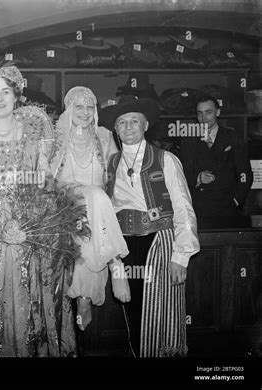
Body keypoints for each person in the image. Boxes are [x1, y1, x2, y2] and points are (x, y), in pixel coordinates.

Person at [0, 66, 77, 357]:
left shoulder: (34, 130)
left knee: (31, 291)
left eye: (5, 91)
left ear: (16, 94)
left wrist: (38, 219)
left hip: (29, 221)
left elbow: (45, 180)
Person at [99, 96, 200, 357]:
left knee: (161, 310)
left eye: (134, 121)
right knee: (132, 311)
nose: (128, 127)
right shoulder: (110, 164)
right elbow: (106, 213)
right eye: (122, 122)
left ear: (145, 125)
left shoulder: (166, 159)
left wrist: (181, 255)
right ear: (116, 129)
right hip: (125, 245)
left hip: (159, 242)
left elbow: (183, 207)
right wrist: (114, 261)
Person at [48, 86, 130, 332]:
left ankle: (83, 301)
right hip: (62, 205)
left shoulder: (103, 135)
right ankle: (116, 262)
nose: (85, 112)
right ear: (69, 109)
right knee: (93, 199)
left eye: (90, 106)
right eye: (79, 106)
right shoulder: (55, 137)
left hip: (98, 208)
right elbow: (44, 178)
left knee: (93, 213)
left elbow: (116, 175)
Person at [180, 95, 253, 217]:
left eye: (208, 112)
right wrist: (198, 177)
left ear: (217, 112)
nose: (203, 118)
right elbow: (183, 173)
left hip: (228, 208)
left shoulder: (233, 137)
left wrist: (236, 201)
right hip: (199, 208)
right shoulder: (189, 140)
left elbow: (245, 173)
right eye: (200, 113)